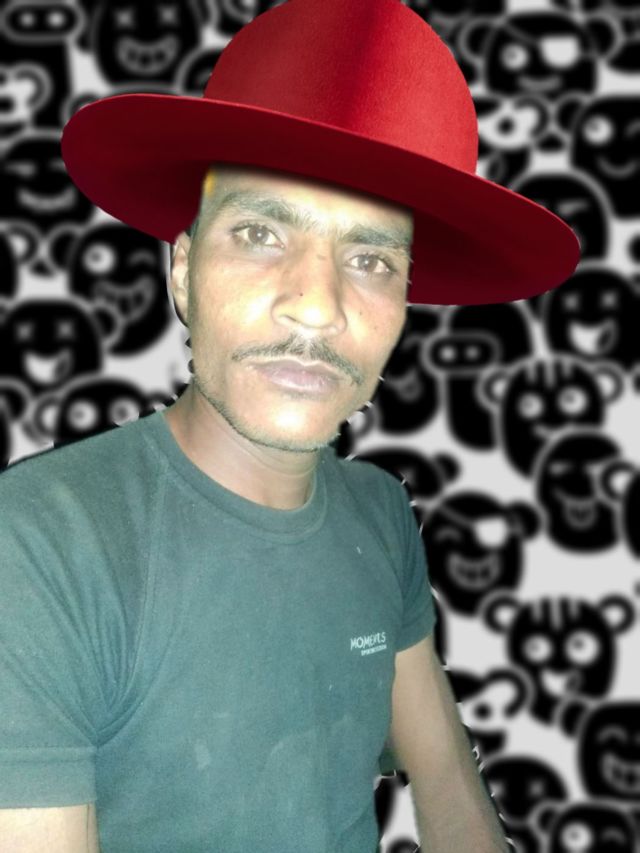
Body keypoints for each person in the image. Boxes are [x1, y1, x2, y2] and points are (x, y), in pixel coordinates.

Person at [0, 0, 579, 851]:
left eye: (370, 258)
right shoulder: (40, 541)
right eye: (261, 232)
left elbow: (449, 782)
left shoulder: (381, 512)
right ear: (184, 271)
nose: (317, 304)